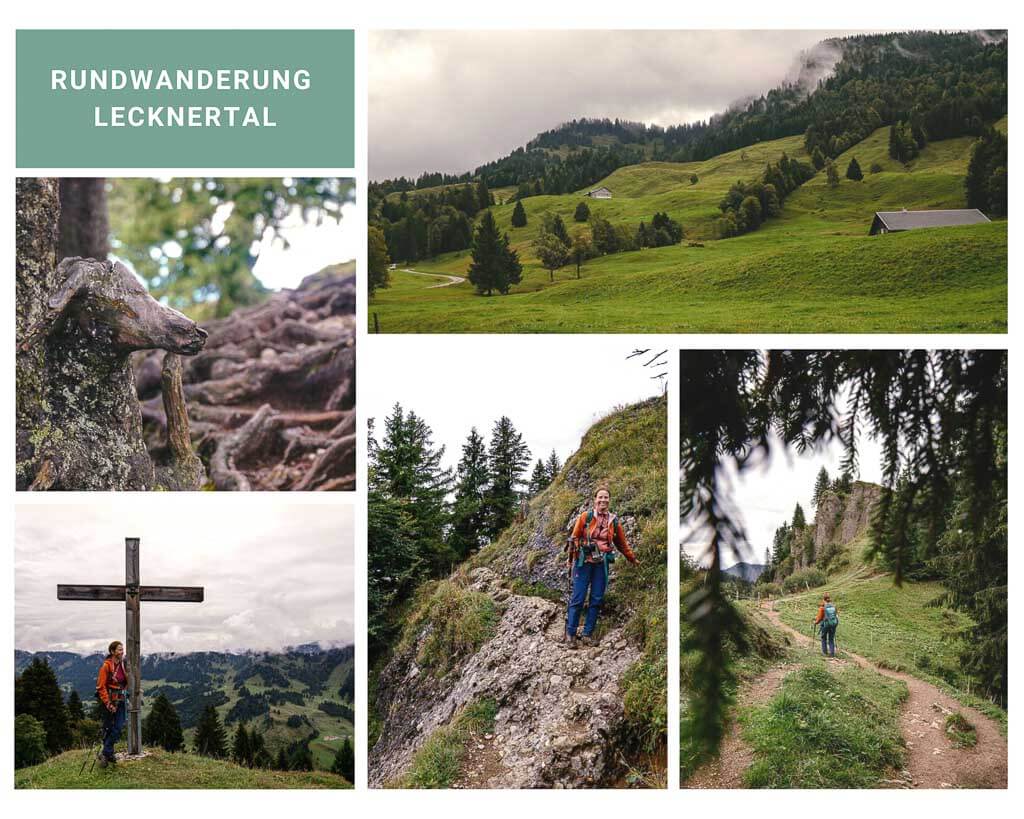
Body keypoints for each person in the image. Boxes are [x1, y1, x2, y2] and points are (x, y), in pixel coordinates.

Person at [564, 485, 639, 648]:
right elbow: (573, 538)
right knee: (577, 598)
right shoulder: (586, 517)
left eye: (606, 497)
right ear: (595, 500)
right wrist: (573, 557)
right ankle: (570, 635)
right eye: (600, 497)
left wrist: (632, 559)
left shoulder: (614, 521)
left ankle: (587, 634)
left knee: (596, 599)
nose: (603, 500)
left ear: (609, 500)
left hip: (601, 563)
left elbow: (622, 544)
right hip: (583, 562)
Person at [95, 640, 129, 767]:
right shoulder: (106, 666)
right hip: (109, 700)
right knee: (108, 728)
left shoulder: (123, 664)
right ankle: (109, 753)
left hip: (120, 699)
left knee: (119, 727)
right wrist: (108, 704)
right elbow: (100, 686)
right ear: (112, 651)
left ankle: (105, 752)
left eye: (122, 649)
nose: (122, 651)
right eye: (119, 649)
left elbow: (125, 682)